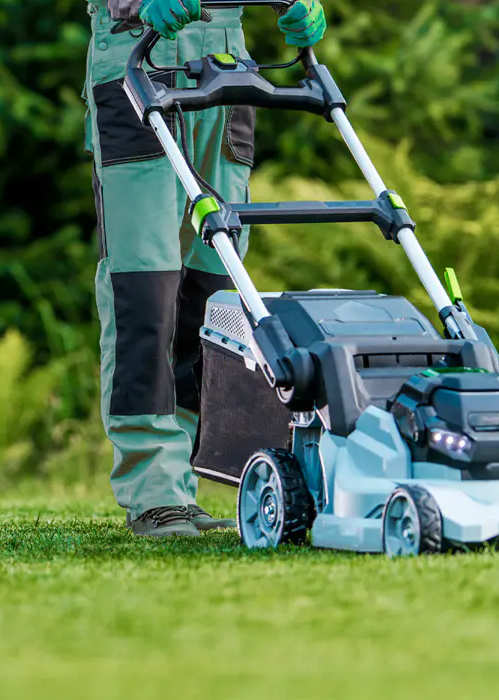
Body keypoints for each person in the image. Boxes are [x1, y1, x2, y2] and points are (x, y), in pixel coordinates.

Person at [83, 0, 327, 536]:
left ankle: (183, 478)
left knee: (213, 289)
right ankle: (154, 490)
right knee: (144, 286)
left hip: (226, 56)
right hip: (138, 47)